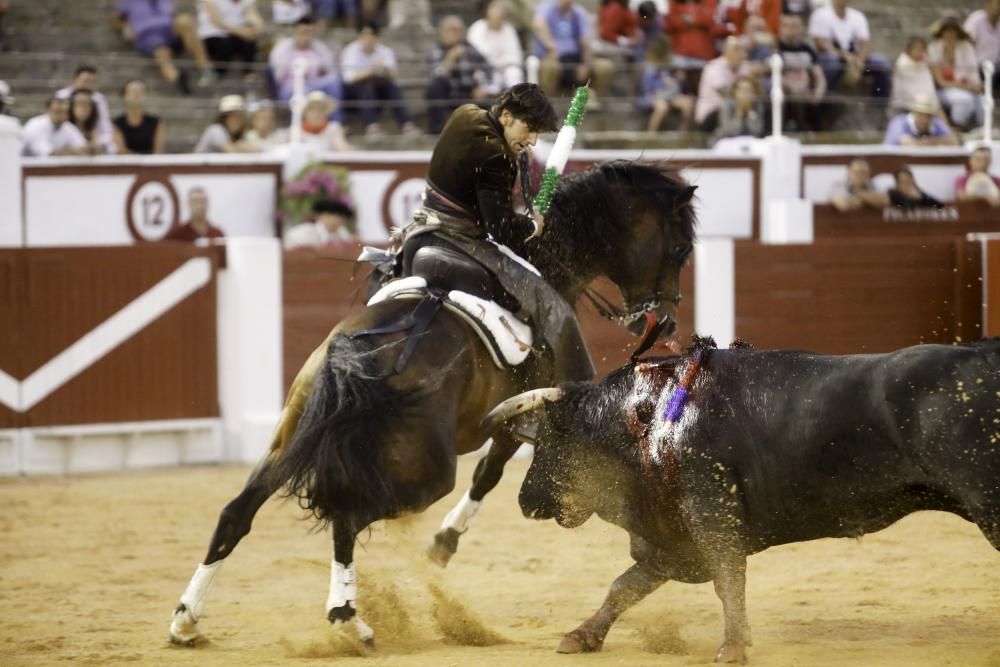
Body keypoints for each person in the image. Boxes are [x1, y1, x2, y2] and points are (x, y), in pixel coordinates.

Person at [398, 83, 594, 384]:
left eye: (537, 133)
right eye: (528, 129)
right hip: (457, 241)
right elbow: (500, 230)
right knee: (554, 309)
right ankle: (576, 395)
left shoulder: (465, 114)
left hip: (417, 237)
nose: (531, 140)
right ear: (505, 116)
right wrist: (531, 225)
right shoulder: (496, 155)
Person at [113, 0, 215, 92]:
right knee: (162, 51)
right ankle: (177, 78)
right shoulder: (128, 2)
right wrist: (124, 26)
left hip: (169, 30)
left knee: (185, 20)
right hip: (147, 34)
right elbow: (116, 19)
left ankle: (205, 68)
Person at [340, 21, 419, 136]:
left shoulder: (385, 51)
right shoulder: (350, 51)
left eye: (371, 35)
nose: (367, 38)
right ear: (359, 36)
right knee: (366, 85)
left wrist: (385, 71)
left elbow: (393, 76)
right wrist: (371, 71)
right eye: (364, 35)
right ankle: (371, 126)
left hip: (378, 92)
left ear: (377, 37)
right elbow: (348, 78)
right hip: (355, 92)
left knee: (391, 87)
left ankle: (407, 124)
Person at [532, 0, 614, 106]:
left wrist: (585, 64)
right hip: (552, 57)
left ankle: (596, 102)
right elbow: (538, 24)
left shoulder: (578, 12)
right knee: (550, 67)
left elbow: (586, 41)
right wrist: (551, 47)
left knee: (605, 67)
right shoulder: (546, 6)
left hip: (576, 58)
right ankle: (547, 105)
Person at [808, 0, 890, 98]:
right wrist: (845, 56)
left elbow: (865, 42)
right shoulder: (820, 14)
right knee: (832, 60)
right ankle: (825, 98)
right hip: (831, 56)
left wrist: (860, 61)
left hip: (854, 58)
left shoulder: (858, 16)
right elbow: (821, 43)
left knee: (882, 62)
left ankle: (878, 100)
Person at [425, 15, 493, 134]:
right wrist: (450, 58)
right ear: (442, 32)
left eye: (456, 30)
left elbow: (488, 68)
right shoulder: (437, 49)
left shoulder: (469, 49)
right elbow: (435, 75)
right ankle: (438, 131)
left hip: (468, 92)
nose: (453, 34)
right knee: (435, 87)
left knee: (492, 100)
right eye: (449, 30)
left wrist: (483, 87)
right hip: (448, 93)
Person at [269, 15, 343, 112]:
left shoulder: (320, 48)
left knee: (333, 81)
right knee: (301, 93)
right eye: (302, 33)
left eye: (309, 33)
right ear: (295, 32)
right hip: (290, 86)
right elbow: (276, 75)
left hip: (314, 84)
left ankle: (335, 121)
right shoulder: (282, 48)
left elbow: (331, 70)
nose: (305, 36)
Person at [928, 14, 984, 131]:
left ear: (958, 32)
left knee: (982, 101)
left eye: (953, 30)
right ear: (941, 32)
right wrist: (964, 86)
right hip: (941, 92)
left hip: (966, 88)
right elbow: (941, 83)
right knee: (964, 99)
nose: (950, 34)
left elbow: (974, 79)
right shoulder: (933, 48)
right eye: (947, 30)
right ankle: (955, 128)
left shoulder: (966, 47)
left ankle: (981, 129)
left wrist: (971, 86)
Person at [777, 12, 825, 131]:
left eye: (794, 26)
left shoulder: (808, 49)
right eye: (786, 25)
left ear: (800, 28)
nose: (790, 29)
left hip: (805, 91)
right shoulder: (776, 47)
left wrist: (818, 92)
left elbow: (819, 76)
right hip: (785, 91)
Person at [695, 36, 752, 132]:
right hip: (711, 113)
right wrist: (742, 95)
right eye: (735, 49)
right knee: (727, 108)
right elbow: (726, 93)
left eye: (741, 49)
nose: (739, 53)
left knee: (756, 108)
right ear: (725, 51)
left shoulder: (744, 65)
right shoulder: (713, 67)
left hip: (735, 109)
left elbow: (751, 88)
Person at [639, 34, 694, 132]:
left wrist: (679, 79)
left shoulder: (673, 62)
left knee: (688, 104)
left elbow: (679, 84)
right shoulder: (650, 66)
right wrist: (662, 83)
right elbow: (647, 87)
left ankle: (682, 132)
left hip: (672, 95)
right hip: (654, 95)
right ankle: (651, 133)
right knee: (662, 108)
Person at [467, 0, 525, 92]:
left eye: (501, 7)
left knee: (514, 73)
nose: (499, 10)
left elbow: (515, 54)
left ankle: (515, 100)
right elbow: (476, 55)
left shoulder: (509, 29)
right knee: (489, 78)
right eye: (495, 7)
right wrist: (494, 67)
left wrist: (503, 67)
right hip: (484, 69)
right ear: (487, 10)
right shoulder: (477, 28)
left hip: (505, 68)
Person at [197, 0, 264, 79]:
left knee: (249, 40)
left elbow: (253, 15)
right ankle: (217, 72)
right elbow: (217, 20)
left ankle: (248, 73)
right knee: (225, 44)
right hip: (212, 35)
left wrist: (256, 28)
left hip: (234, 34)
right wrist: (241, 32)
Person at [57, 66, 114, 154]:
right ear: (74, 81)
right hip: (66, 140)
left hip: (90, 137)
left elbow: (106, 129)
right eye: (85, 81)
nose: (88, 86)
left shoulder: (99, 99)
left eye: (92, 82)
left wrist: (98, 143)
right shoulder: (61, 96)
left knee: (111, 148)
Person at [20, 96, 89, 157]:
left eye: (66, 112)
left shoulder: (68, 127)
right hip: (19, 167)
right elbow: (48, 153)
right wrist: (74, 152)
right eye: (58, 111)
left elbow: (84, 149)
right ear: (48, 110)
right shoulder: (35, 125)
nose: (62, 115)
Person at [113, 79, 165, 154]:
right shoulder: (117, 123)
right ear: (124, 96)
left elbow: (158, 151)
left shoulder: (156, 122)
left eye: (140, 92)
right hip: (126, 164)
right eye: (133, 91)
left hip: (152, 163)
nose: (136, 95)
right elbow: (121, 151)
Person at [883, 94, 958, 146]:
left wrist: (926, 142)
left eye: (929, 115)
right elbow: (908, 144)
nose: (925, 119)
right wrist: (935, 142)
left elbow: (953, 141)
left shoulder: (936, 122)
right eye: (921, 114)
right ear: (914, 112)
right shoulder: (899, 121)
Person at [890, 36, 936, 116]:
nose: (919, 51)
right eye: (916, 48)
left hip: (927, 108)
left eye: (922, 48)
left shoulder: (925, 63)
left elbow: (930, 90)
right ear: (909, 50)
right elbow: (908, 92)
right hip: (903, 109)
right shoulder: (902, 64)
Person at [285, 199, 357, 247]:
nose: (335, 220)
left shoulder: (342, 233)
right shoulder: (302, 233)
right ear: (320, 215)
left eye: (340, 216)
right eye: (330, 215)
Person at [713, 75, 765, 141]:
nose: (745, 94)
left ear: (754, 93)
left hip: (750, 142)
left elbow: (757, 131)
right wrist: (739, 114)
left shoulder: (758, 106)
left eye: (749, 90)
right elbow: (728, 131)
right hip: (725, 140)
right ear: (735, 92)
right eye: (742, 90)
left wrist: (750, 111)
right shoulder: (727, 104)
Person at [964, 0, 1000, 94]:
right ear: (988, 3)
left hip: (995, 68)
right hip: (976, 68)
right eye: (998, 3)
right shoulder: (976, 19)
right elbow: (966, 46)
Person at [68, 89, 115, 155]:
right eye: (80, 103)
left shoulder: (97, 131)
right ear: (71, 107)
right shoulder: (64, 128)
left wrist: (100, 147)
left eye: (88, 104)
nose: (84, 107)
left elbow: (112, 148)